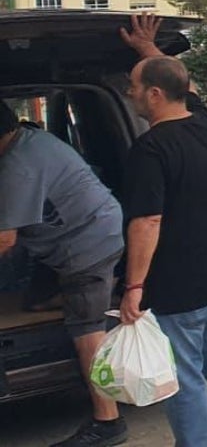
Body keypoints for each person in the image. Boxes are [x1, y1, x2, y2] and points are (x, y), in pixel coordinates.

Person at [119, 14, 207, 446]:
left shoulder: (150, 148)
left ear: (154, 95)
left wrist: (133, 286)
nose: (130, 94)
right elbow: (185, 84)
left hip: (181, 287)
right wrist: (148, 51)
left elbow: (147, 222)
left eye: (135, 88)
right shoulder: (202, 124)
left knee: (187, 376)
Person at [0, 102, 127, 447]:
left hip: (86, 245)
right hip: (66, 242)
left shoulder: (17, 166)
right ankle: (103, 296)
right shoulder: (29, 138)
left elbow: (5, 240)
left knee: (85, 329)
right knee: (36, 302)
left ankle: (108, 421)